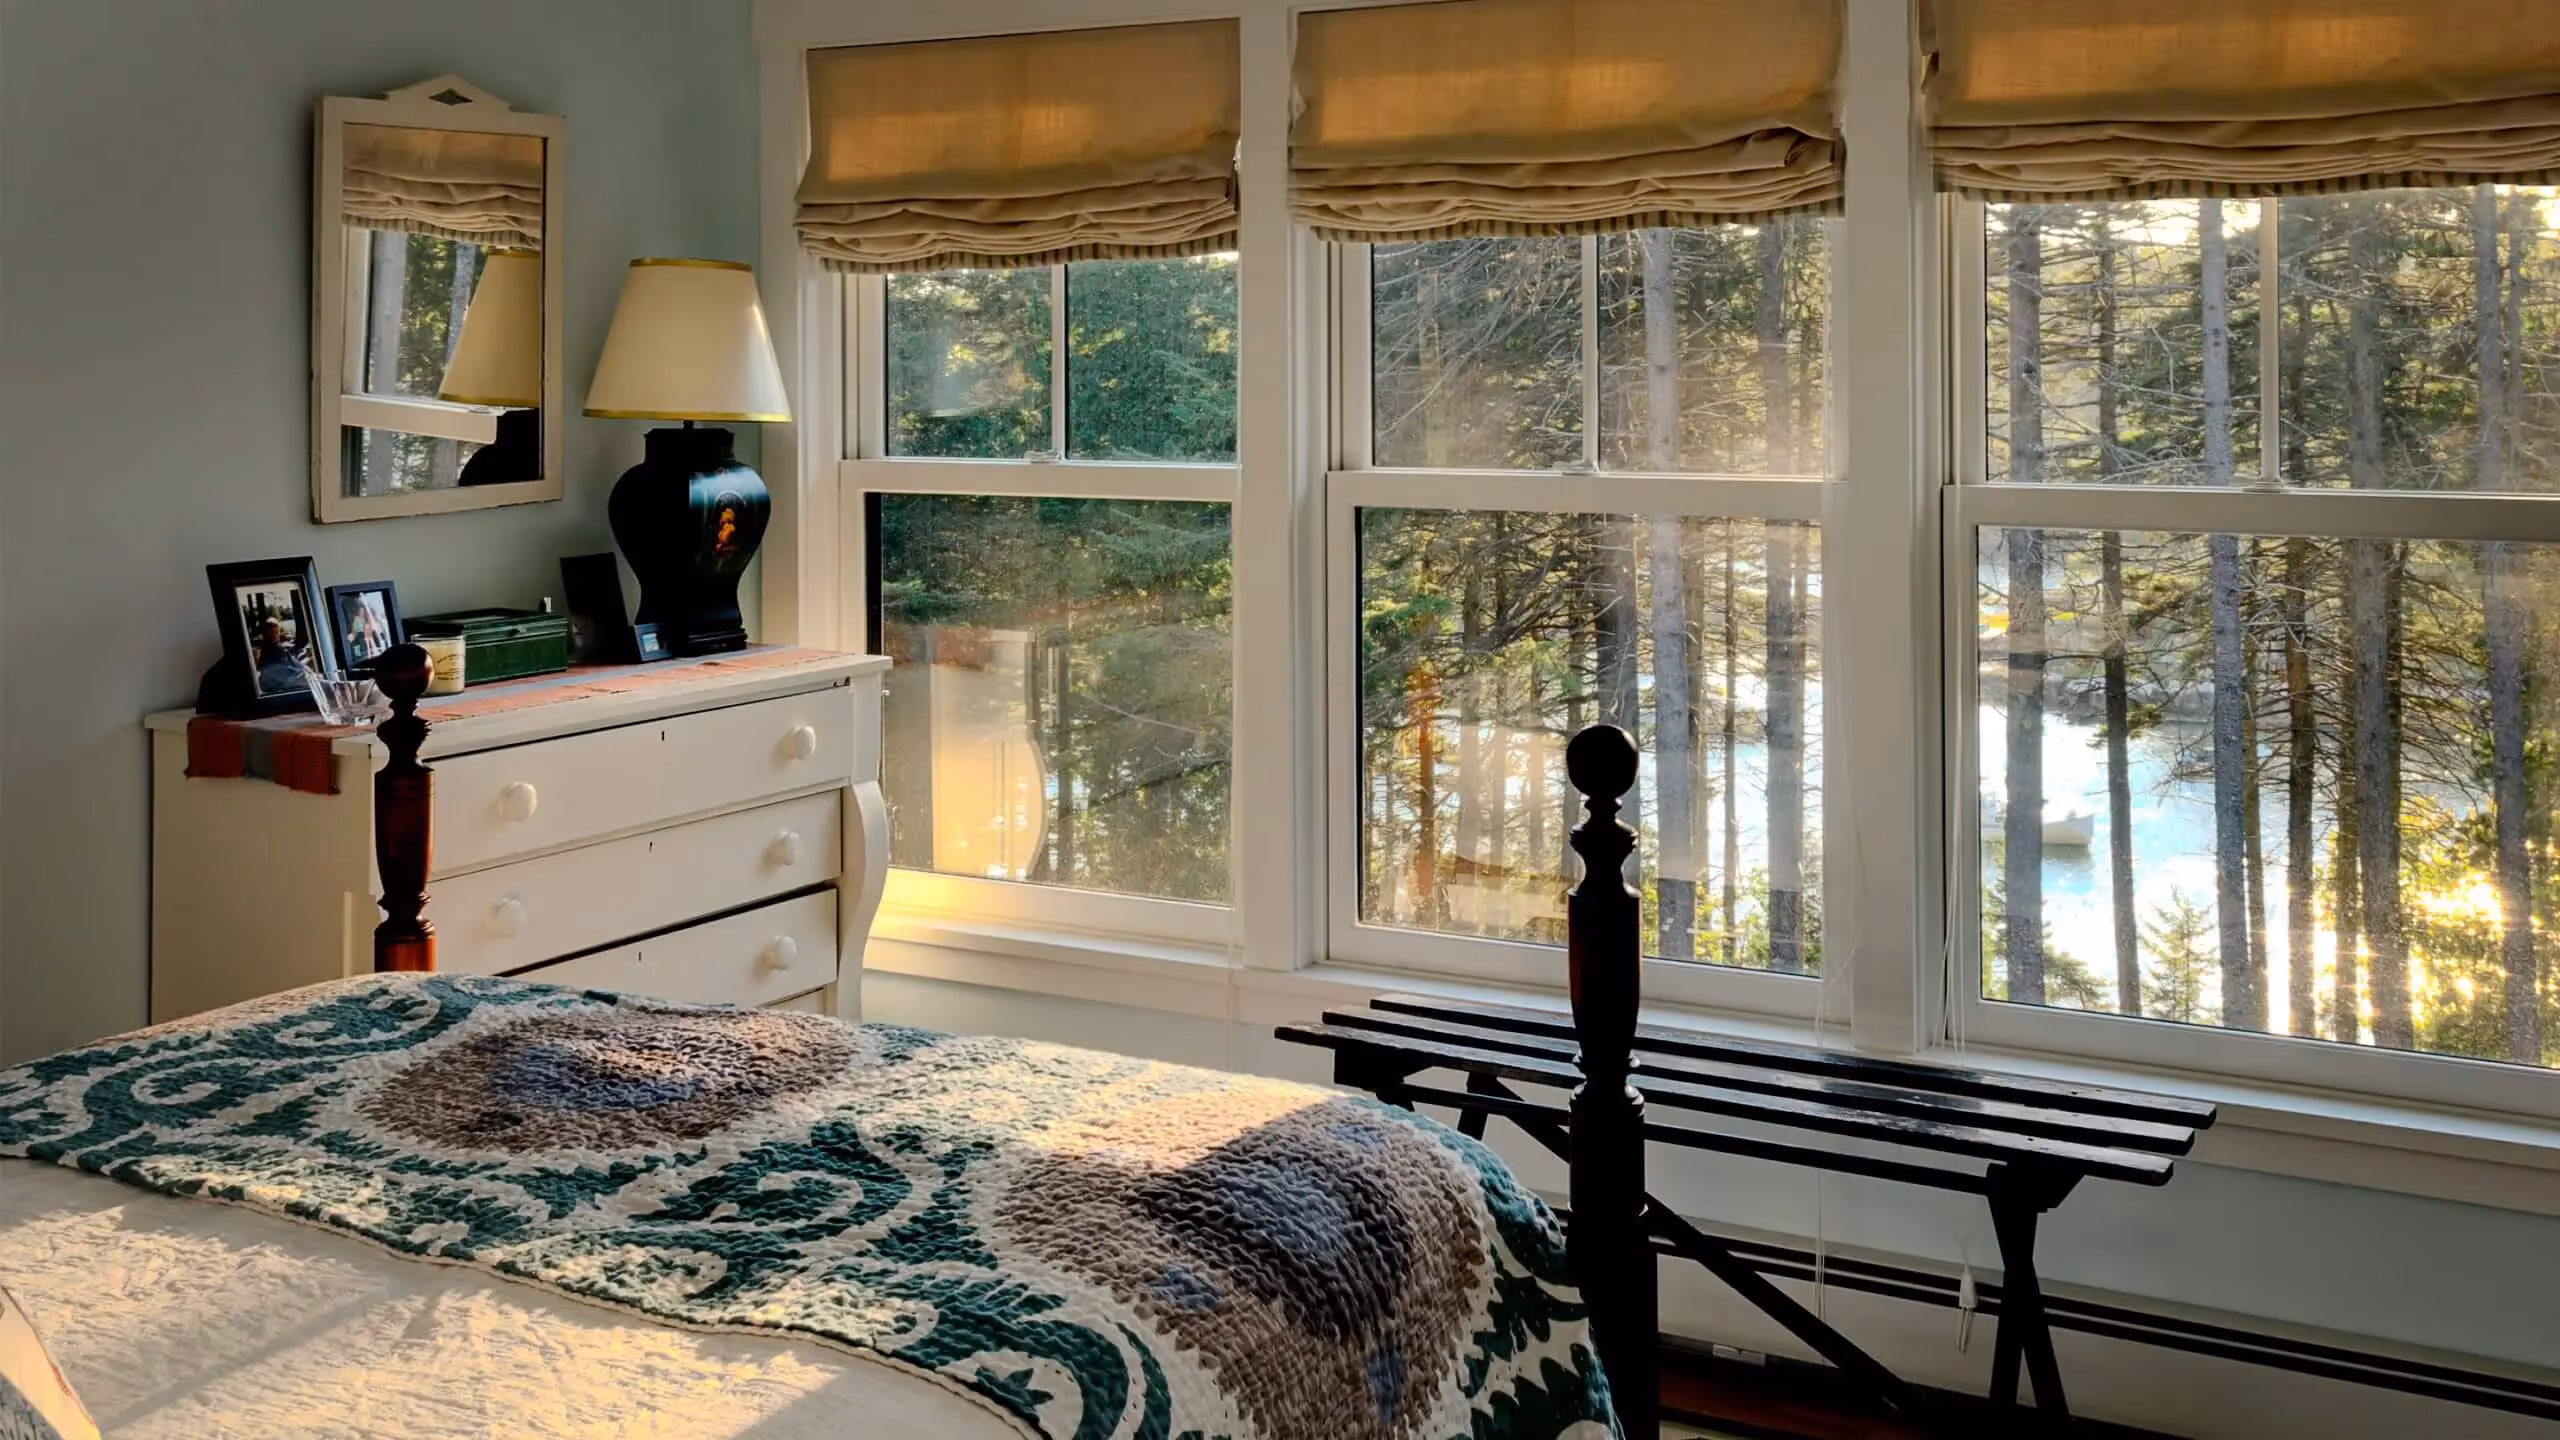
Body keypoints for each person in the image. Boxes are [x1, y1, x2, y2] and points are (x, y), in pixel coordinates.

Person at [253, 617, 306, 695]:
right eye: (271, 632)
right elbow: (285, 669)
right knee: (308, 675)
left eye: (276, 631)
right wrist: (301, 668)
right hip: (280, 683)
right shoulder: (271, 650)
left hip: (281, 679)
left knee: (305, 660)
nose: (275, 634)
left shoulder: (272, 647)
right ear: (266, 633)